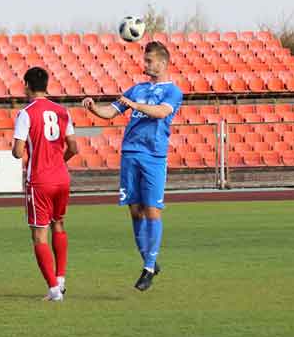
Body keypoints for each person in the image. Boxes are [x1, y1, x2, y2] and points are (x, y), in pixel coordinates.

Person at [81, 41, 183, 291]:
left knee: (152, 211)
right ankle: (149, 259)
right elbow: (111, 112)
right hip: (130, 154)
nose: (145, 64)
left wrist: (134, 105)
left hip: (153, 156)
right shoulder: (136, 88)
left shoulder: (173, 91)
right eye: (145, 60)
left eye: (149, 61)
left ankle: (148, 268)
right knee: (134, 211)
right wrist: (94, 108)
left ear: (162, 62)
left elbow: (160, 112)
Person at [11, 67, 78, 302]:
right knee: (58, 224)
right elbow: (74, 147)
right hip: (62, 178)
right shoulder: (62, 111)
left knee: (39, 236)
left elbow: (18, 152)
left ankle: (53, 290)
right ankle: (60, 278)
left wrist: (18, 148)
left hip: (39, 181)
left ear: (27, 85)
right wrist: (59, 161)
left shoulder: (26, 113)